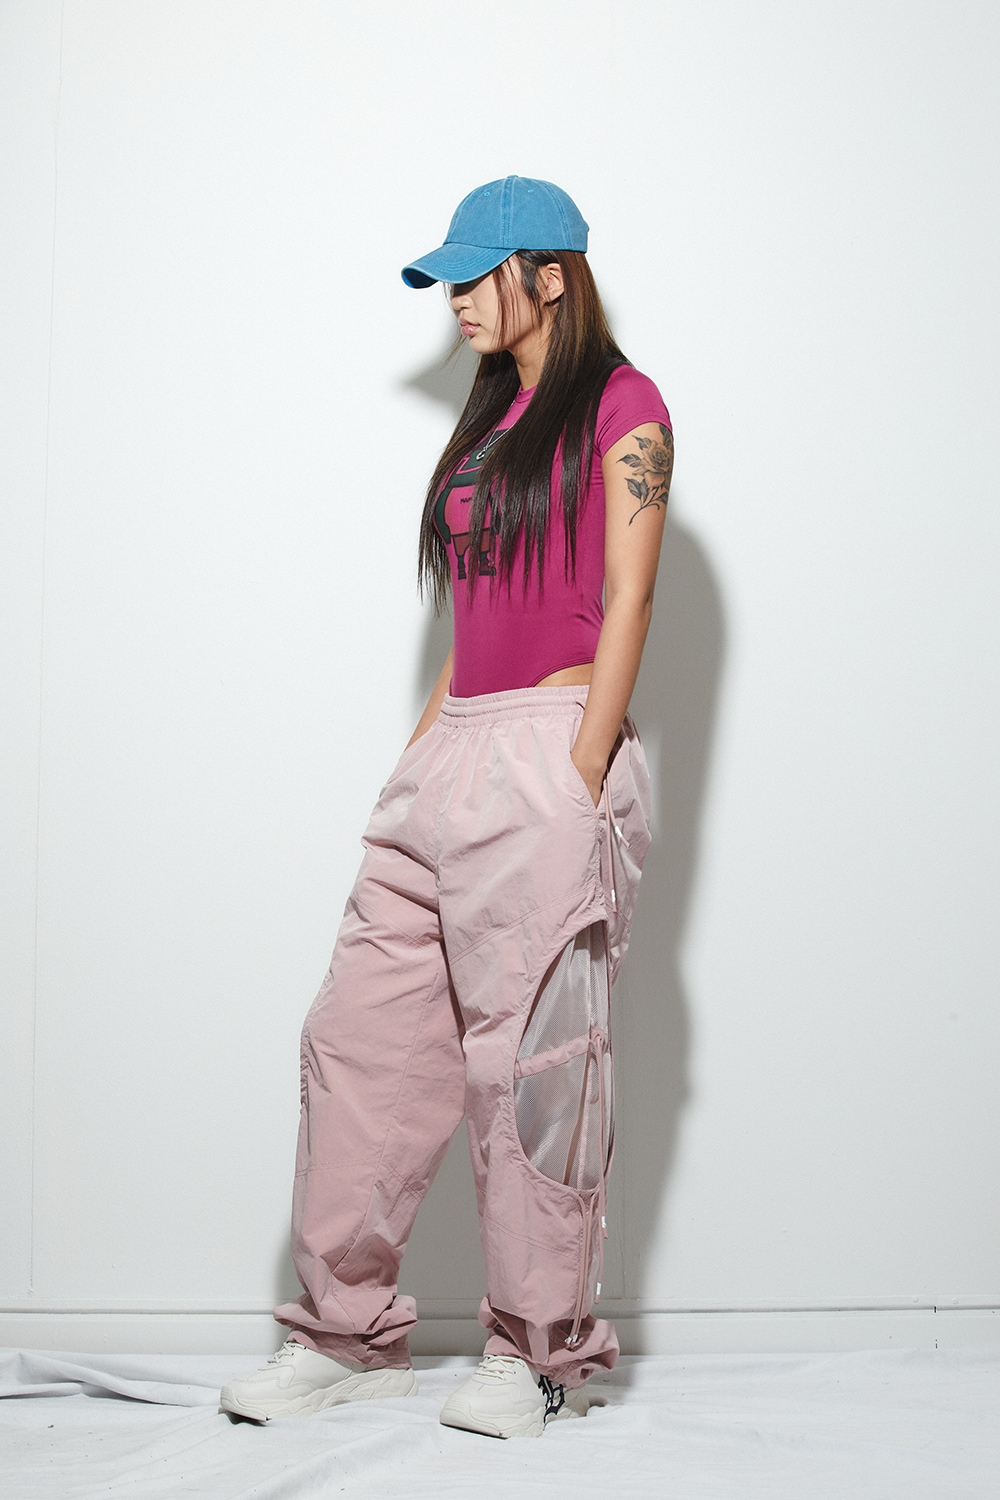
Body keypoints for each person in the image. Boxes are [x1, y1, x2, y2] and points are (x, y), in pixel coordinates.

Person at [221, 175, 673, 1439]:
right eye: (449, 280)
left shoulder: (625, 406)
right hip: (452, 749)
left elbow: (629, 597)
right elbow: (472, 616)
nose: (457, 300)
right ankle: (346, 1336)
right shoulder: (489, 425)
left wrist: (581, 767)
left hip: (549, 749)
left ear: (551, 276)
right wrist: (418, 755)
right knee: (358, 1044)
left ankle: (535, 1353)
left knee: (528, 1070)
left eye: (478, 275)